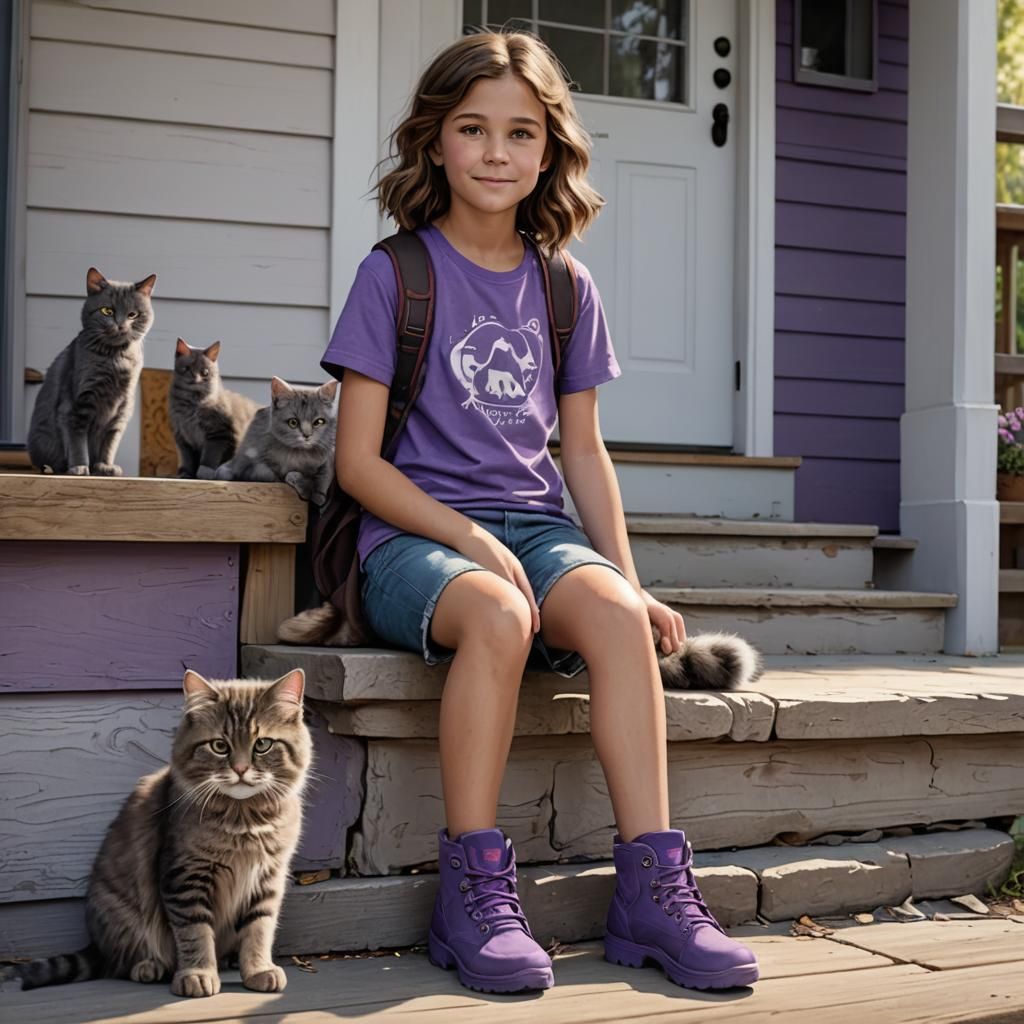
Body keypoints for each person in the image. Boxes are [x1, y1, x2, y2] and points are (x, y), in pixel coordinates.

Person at [321, 29, 759, 995]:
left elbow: (584, 453)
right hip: (411, 538)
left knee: (611, 618)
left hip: (536, 527)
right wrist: (466, 534)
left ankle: (653, 888)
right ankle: (472, 886)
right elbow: (356, 463)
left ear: (549, 150)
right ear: (435, 141)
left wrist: (630, 584)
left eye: (520, 133)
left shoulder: (564, 285)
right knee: (500, 612)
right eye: (473, 129)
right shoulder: (394, 276)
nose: (495, 152)